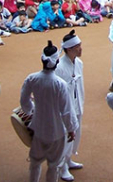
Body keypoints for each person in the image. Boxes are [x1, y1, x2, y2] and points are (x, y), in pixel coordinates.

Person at [20, 41, 78, 182]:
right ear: (57, 61)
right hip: (56, 130)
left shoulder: (32, 78)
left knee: (35, 162)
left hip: (38, 127)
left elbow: (24, 101)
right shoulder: (60, 84)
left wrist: (30, 110)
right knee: (54, 165)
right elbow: (66, 111)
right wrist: (71, 128)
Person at [55, 30, 85, 181]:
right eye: (77, 46)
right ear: (68, 49)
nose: (80, 48)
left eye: (80, 45)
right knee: (66, 134)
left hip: (77, 103)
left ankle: (68, 159)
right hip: (65, 108)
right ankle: (62, 167)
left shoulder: (79, 63)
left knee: (76, 132)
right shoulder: (59, 67)